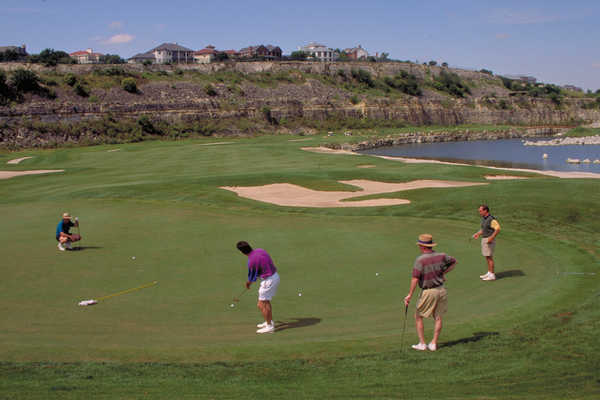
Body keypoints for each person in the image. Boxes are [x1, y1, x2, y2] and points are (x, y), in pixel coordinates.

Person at [404, 234, 457, 351]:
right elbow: (454, 262)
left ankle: (422, 344)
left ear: (422, 246)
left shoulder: (420, 260)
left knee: (418, 316)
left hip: (428, 291)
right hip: (441, 290)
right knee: (438, 317)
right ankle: (433, 343)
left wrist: (409, 295)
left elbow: (415, 278)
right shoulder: (441, 255)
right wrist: (443, 273)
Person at [236, 241, 280, 334]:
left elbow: (252, 277)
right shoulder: (260, 250)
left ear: (242, 252)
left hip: (268, 281)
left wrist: (248, 284)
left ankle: (269, 327)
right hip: (274, 276)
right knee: (265, 302)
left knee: (261, 304)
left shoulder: (251, 261)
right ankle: (269, 321)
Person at [472, 204, 500, 281]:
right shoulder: (484, 218)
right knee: (487, 257)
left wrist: (491, 237)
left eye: (480, 211)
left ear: (485, 211)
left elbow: (498, 228)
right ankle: (489, 273)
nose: (479, 212)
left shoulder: (491, 219)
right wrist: (477, 233)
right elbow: (483, 229)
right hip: (485, 239)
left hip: (489, 240)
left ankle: (492, 275)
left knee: (489, 257)